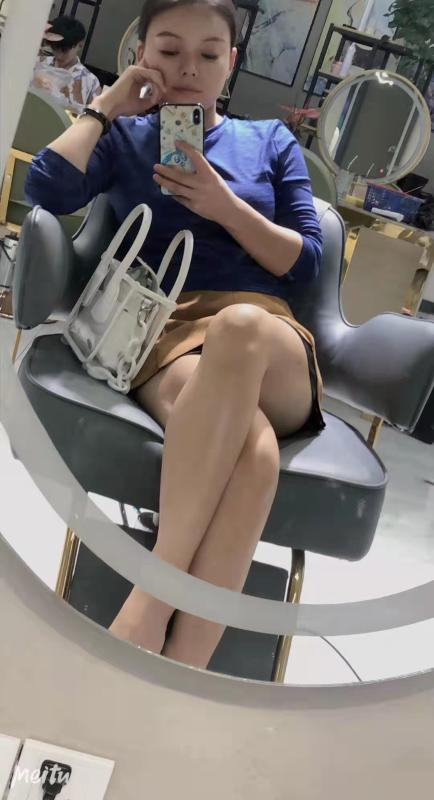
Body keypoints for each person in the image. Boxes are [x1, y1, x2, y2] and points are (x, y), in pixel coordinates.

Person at [25, 0, 324, 671]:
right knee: (254, 453)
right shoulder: (128, 138)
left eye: (208, 54)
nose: (188, 68)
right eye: (168, 50)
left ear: (231, 63)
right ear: (142, 53)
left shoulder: (270, 142)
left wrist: (225, 206)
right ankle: (181, 672)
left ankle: (147, 606)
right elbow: (47, 188)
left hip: (266, 333)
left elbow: (304, 262)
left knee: (241, 328)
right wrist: (107, 106)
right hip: (163, 333)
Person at [33, 15, 101, 111]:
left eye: (64, 49)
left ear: (80, 45)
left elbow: (95, 114)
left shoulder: (90, 80)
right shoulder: (39, 63)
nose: (59, 52)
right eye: (55, 47)